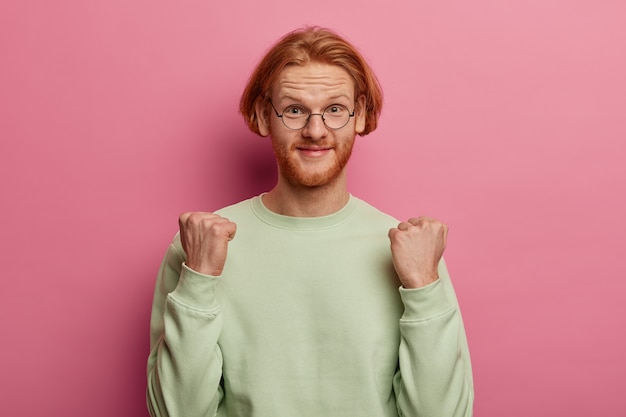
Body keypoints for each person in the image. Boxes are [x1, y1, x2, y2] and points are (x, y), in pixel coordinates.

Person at [146, 26, 474, 417]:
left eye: (335, 109)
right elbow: (174, 413)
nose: (315, 131)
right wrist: (198, 279)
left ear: (361, 116)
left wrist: (423, 289)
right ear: (263, 115)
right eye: (295, 109)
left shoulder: (413, 253)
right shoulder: (198, 247)